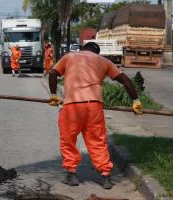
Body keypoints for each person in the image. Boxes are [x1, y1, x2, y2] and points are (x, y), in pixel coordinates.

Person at [48, 42, 143, 190]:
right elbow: (125, 80)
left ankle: (71, 174)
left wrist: (54, 94)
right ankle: (105, 176)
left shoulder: (70, 56)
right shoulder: (104, 61)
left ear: (82, 49)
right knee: (97, 140)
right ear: (97, 53)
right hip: (94, 105)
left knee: (68, 139)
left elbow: (53, 73)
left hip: (72, 105)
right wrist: (136, 100)